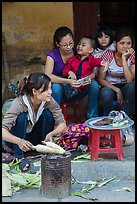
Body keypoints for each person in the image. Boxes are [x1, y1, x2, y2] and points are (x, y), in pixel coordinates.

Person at [2, 72, 67, 162]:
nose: (50, 92)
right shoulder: (20, 103)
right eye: (46, 90)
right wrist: (19, 141)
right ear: (35, 91)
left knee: (47, 114)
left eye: (50, 88)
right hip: (17, 141)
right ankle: (19, 156)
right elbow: (3, 130)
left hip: (33, 139)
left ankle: (45, 147)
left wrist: (51, 134)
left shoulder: (49, 100)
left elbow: (62, 124)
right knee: (21, 118)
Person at [62, 36, 108, 119]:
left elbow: (97, 62)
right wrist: (69, 72)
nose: (79, 46)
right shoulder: (72, 59)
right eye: (79, 44)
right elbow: (65, 70)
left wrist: (103, 62)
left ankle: (92, 117)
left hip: (84, 89)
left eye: (83, 45)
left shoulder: (91, 60)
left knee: (94, 84)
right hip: (72, 90)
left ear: (90, 50)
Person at [98, 27, 135, 118]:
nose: (125, 46)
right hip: (110, 87)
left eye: (128, 43)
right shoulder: (108, 55)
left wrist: (124, 59)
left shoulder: (132, 55)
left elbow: (130, 79)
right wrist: (117, 90)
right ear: (115, 43)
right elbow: (101, 79)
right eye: (122, 43)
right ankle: (112, 119)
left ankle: (126, 118)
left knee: (132, 86)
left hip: (126, 87)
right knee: (105, 92)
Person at [44, 26, 76, 104]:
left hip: (75, 87)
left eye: (71, 43)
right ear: (58, 44)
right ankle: (55, 114)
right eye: (65, 45)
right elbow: (48, 76)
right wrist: (68, 81)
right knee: (56, 88)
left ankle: (92, 115)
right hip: (59, 89)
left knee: (93, 85)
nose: (69, 47)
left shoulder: (77, 52)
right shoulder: (52, 56)